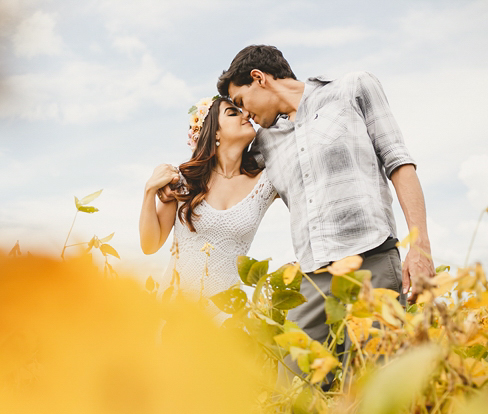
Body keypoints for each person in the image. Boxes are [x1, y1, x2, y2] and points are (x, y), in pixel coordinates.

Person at [217, 45, 435, 389]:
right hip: (311, 279)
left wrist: (419, 247)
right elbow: (223, 168)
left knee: (368, 388)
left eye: (242, 102)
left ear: (258, 78)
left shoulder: (352, 89)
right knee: (291, 392)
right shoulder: (266, 142)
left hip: (372, 260)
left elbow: (399, 163)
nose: (245, 115)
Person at [138, 95, 277, 317]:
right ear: (214, 133)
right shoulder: (184, 179)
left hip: (228, 318)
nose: (246, 115)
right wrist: (149, 191)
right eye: (233, 113)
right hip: (176, 312)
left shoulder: (267, 182)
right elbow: (149, 245)